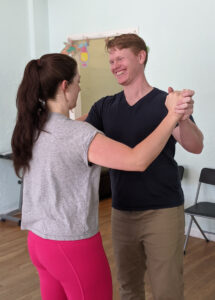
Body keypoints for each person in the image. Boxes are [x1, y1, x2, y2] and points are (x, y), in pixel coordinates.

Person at [11, 53, 190, 300]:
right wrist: (172, 115)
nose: (79, 87)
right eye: (77, 81)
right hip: (72, 245)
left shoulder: (33, 127)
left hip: (39, 243)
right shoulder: (77, 135)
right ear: (65, 86)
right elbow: (137, 160)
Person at [86, 34, 204, 300]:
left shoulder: (166, 102)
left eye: (120, 58)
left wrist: (182, 117)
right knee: (129, 287)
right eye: (111, 60)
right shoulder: (104, 107)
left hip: (162, 211)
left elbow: (196, 146)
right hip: (121, 212)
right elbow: (75, 135)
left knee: (167, 289)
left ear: (141, 57)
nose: (115, 65)